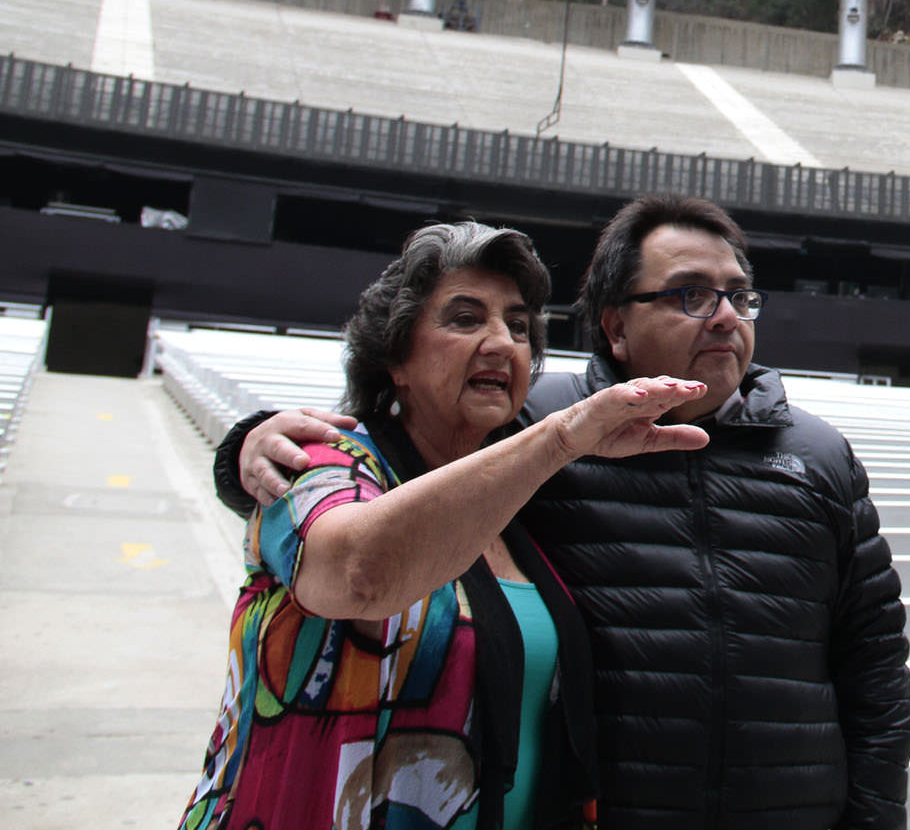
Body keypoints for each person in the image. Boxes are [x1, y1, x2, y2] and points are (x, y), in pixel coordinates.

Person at [218, 195, 910, 830]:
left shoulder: (820, 456)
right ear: (615, 326)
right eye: (692, 295)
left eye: (738, 295)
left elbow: (874, 668)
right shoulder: (543, 429)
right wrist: (247, 444)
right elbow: (396, 461)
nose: (727, 315)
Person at [183, 222, 709, 830]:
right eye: (465, 319)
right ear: (395, 358)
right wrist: (560, 438)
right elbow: (357, 573)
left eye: (518, 326)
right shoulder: (319, 461)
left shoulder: (526, 491)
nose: (502, 343)